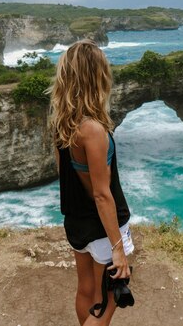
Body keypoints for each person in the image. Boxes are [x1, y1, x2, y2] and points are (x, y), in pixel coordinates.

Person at [48, 39, 134, 326]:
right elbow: (101, 194)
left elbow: (66, 174)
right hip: (101, 226)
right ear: (97, 77)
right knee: (109, 296)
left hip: (77, 222)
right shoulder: (93, 130)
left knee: (86, 289)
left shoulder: (62, 124)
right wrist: (118, 248)